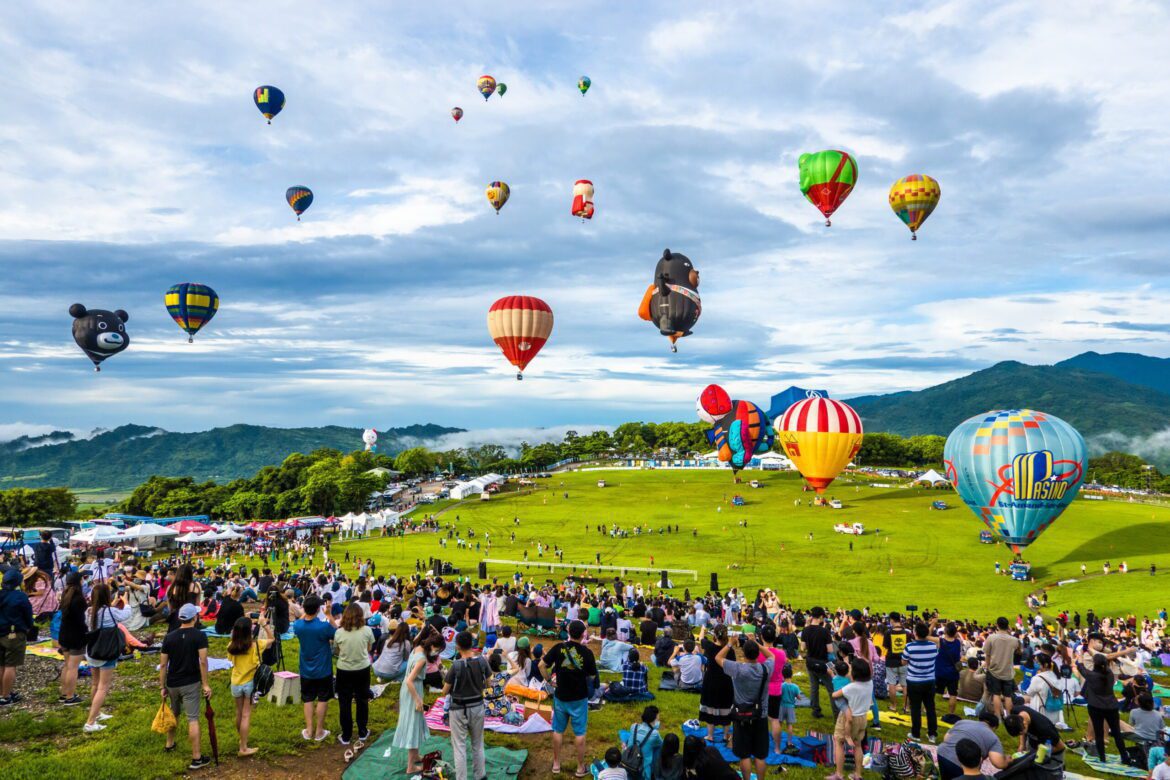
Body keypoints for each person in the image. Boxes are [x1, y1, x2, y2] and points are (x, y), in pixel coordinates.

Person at [540, 619, 598, 776]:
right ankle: (580, 768)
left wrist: (549, 681)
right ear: (583, 634)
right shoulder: (587, 653)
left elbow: (541, 665)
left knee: (558, 730)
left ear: (569, 632)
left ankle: (556, 764)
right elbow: (593, 676)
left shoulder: (559, 648)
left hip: (560, 696)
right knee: (580, 733)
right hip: (579, 697)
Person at [159, 603, 213, 771]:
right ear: (194, 617)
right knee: (193, 718)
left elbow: (163, 664)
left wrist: (162, 685)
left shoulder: (170, 637)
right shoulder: (199, 636)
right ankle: (196, 757)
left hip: (173, 682)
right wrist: (205, 684)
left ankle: (169, 743)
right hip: (191, 682)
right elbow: (203, 661)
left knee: (174, 714)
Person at [715, 635, 773, 780]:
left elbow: (718, 658)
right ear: (757, 654)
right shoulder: (766, 669)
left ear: (743, 653)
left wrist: (729, 644)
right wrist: (756, 643)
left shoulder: (737, 669)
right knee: (760, 755)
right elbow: (771, 654)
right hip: (760, 715)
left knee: (744, 754)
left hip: (741, 715)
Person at [440, 630, 490, 780]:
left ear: (457, 646)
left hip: (458, 709)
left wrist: (444, 674)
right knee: (478, 743)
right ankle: (480, 776)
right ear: (472, 644)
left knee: (459, 747)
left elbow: (444, 692)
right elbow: (489, 684)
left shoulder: (455, 666)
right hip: (477, 706)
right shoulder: (482, 661)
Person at [83, 581, 129, 732]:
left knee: (95, 684)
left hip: (93, 651)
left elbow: (103, 614)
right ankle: (90, 722)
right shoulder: (110, 611)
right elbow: (125, 615)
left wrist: (113, 603)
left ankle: (96, 714)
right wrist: (126, 602)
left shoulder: (89, 611)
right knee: (103, 687)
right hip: (107, 651)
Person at [392, 631, 439, 774]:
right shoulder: (422, 659)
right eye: (438, 650)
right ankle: (410, 766)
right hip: (412, 691)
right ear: (432, 646)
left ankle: (416, 755)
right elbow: (409, 681)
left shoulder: (417, 647)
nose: (437, 653)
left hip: (409, 691)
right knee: (412, 725)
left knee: (416, 723)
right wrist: (418, 700)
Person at [226, 614, 271, 756]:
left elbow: (231, 661)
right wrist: (264, 625)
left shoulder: (231, 646)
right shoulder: (256, 645)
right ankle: (243, 747)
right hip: (250, 683)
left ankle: (242, 739)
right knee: (246, 715)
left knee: (239, 713)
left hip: (236, 682)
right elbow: (272, 639)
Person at [293, 595, 336, 742]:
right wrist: (329, 615)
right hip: (323, 669)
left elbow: (301, 620)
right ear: (319, 609)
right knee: (323, 698)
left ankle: (309, 729)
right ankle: (319, 731)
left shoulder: (298, 626)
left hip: (306, 669)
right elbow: (337, 633)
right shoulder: (323, 627)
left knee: (308, 699)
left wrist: (308, 609)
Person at [1075, 650, 1130, 762]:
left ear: (1094, 664)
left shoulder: (1092, 675)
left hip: (1096, 707)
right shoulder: (1109, 673)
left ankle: (1102, 757)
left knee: (1099, 733)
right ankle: (1124, 757)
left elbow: (1081, 669)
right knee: (1117, 733)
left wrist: (1080, 660)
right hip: (1112, 706)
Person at [335, 602, 374, 747]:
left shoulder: (339, 632)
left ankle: (346, 735)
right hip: (362, 669)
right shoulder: (367, 631)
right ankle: (362, 732)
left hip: (344, 669)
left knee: (344, 702)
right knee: (362, 700)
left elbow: (337, 650)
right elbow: (369, 648)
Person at [829, 657, 874, 780]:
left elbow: (835, 695)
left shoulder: (850, 688)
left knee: (839, 742)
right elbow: (853, 678)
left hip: (849, 718)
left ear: (854, 673)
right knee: (858, 744)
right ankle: (857, 775)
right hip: (863, 718)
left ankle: (839, 774)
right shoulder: (870, 683)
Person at [935, 713, 1009, 780]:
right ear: (994, 727)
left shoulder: (962, 722)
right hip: (962, 764)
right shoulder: (993, 738)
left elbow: (946, 738)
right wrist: (1008, 761)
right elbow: (998, 763)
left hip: (942, 753)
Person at [0, 567, 33, 706]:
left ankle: (3, 692)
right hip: (14, 633)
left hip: (0, 632)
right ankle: (6, 696)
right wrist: (28, 627)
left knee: (1, 665)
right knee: (10, 666)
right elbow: (28, 616)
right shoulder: (20, 596)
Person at [55, 572, 88, 705]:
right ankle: (70, 696)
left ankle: (64, 693)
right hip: (76, 635)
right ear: (79, 581)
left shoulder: (65, 595)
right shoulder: (79, 598)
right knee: (73, 667)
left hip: (64, 633)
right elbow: (81, 620)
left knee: (67, 665)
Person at [699, 625, 734, 743]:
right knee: (726, 708)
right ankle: (725, 735)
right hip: (725, 682)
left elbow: (701, 639)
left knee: (710, 707)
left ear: (714, 635)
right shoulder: (731, 651)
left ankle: (710, 735)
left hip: (711, 682)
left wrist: (703, 630)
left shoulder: (709, 647)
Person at [905, 621, 939, 742]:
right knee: (930, 707)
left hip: (914, 681)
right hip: (929, 680)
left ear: (916, 633)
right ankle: (932, 734)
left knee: (916, 708)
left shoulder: (909, 647)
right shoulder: (932, 646)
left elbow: (904, 661)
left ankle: (916, 734)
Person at [982, 617, 1019, 719]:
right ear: (1007, 626)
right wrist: (1010, 633)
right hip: (1007, 671)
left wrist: (988, 667)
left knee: (996, 694)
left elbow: (987, 655)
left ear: (997, 625)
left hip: (995, 670)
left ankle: (998, 716)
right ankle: (1009, 717)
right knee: (1008, 696)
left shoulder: (991, 638)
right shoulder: (1014, 640)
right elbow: (1015, 648)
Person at [802, 606, 834, 718]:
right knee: (831, 688)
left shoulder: (805, 630)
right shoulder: (825, 631)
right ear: (820, 617)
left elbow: (803, 647)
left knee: (814, 687)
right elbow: (830, 649)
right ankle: (837, 712)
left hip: (810, 662)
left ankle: (815, 710)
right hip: (822, 663)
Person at [623, 705, 662, 780]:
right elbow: (661, 744)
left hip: (627, 762)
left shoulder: (633, 726)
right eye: (658, 718)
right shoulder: (654, 734)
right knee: (658, 749)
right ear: (654, 719)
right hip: (642, 771)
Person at [882, 612, 910, 714]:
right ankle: (906, 707)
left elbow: (885, 646)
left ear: (892, 620)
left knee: (892, 684)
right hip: (904, 661)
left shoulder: (888, 633)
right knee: (905, 685)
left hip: (891, 661)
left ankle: (893, 706)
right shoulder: (907, 633)